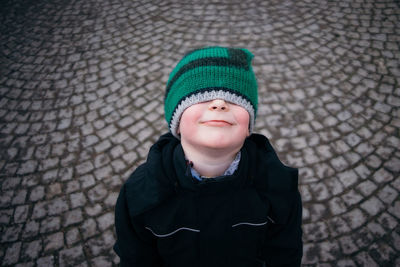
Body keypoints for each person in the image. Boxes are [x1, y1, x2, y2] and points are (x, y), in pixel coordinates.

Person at [114, 46, 303, 267]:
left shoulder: (277, 185)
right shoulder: (140, 193)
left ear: (249, 127)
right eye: (201, 96)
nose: (219, 103)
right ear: (176, 121)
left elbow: (285, 254)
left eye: (234, 99)